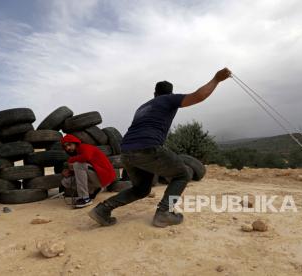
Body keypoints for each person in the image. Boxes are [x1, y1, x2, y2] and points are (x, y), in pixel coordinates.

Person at [89, 67, 232, 228]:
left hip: (127, 151)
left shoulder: (143, 107)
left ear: (154, 93)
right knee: (182, 174)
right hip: (148, 148)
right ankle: (164, 212)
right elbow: (199, 96)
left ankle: (103, 209)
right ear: (170, 94)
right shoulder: (168, 100)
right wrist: (216, 79)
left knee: (141, 189)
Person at [60, 134, 116, 208]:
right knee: (66, 182)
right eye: (65, 146)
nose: (68, 148)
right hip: (96, 176)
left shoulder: (84, 147)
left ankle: (85, 198)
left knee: (78, 165)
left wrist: (71, 160)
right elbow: (84, 170)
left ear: (75, 142)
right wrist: (70, 172)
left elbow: (86, 157)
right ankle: (93, 190)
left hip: (104, 176)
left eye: (69, 144)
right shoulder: (77, 154)